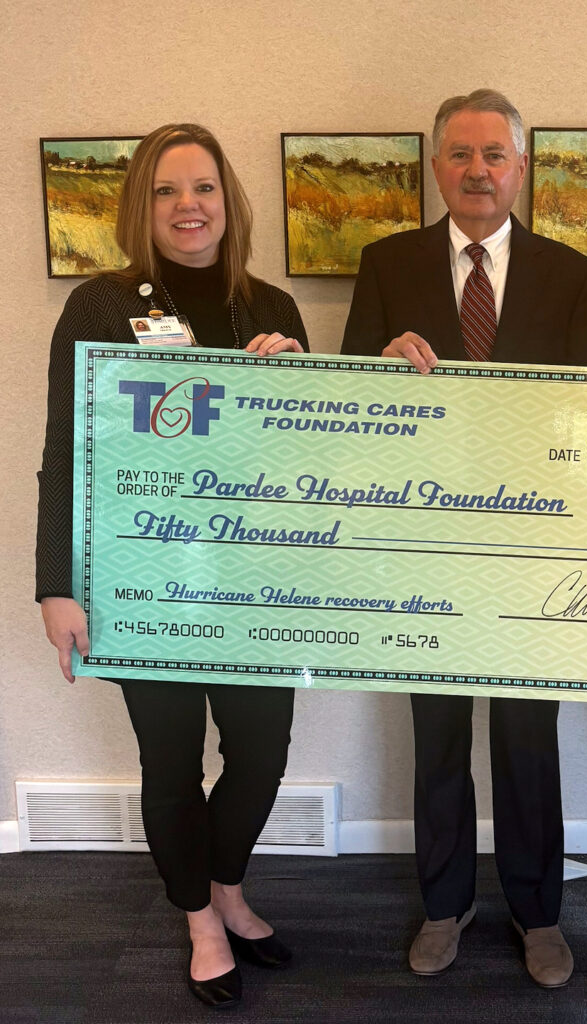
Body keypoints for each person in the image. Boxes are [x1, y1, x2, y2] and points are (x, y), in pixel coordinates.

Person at [36, 123, 309, 1009]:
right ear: (140, 208)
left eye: (202, 189)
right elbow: (66, 451)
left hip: (254, 577)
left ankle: (227, 883)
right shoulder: (100, 307)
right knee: (169, 760)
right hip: (139, 573)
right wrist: (57, 585)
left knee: (262, 753)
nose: (186, 207)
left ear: (229, 202)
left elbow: (307, 455)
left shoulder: (271, 307)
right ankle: (198, 917)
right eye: (165, 191)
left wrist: (299, 386)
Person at [341, 89, 587, 987]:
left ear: (520, 168)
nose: (478, 170)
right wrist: (377, 371)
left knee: (531, 741)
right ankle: (444, 906)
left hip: (530, 553)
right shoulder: (386, 263)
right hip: (422, 549)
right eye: (459, 154)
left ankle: (538, 915)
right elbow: (347, 403)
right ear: (435, 166)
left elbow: (585, 417)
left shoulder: (572, 272)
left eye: (494, 154)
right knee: (439, 738)